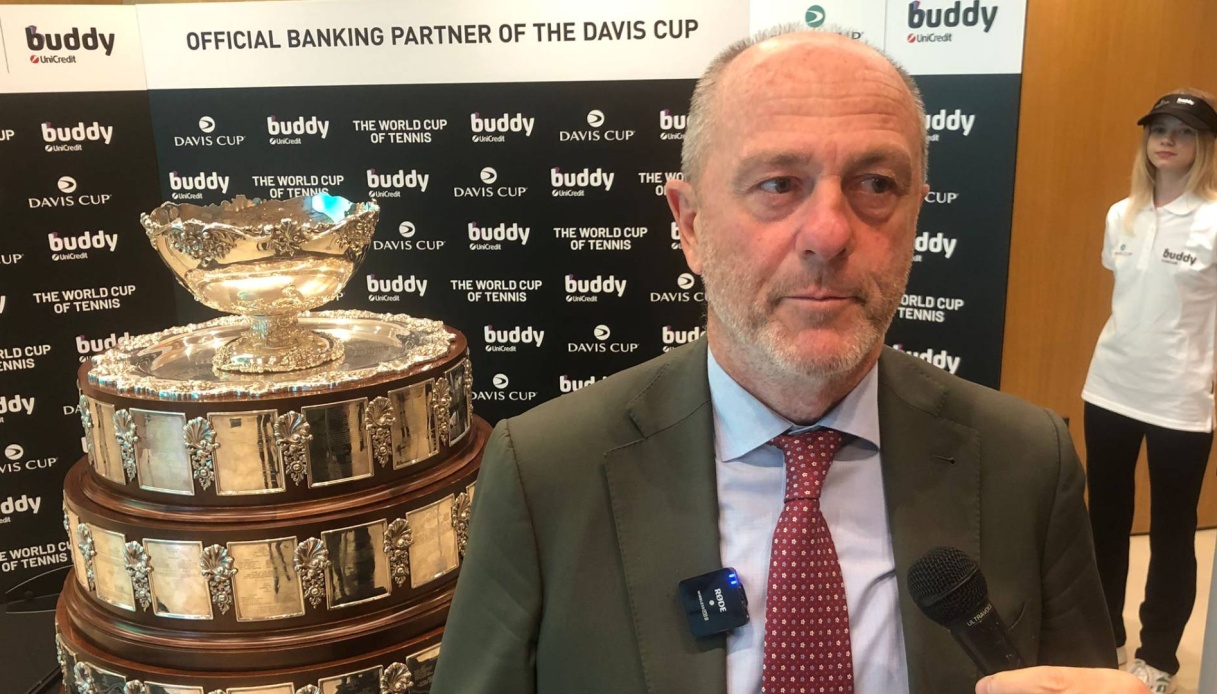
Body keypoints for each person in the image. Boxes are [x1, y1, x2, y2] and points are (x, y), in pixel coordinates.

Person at [433, 28, 1142, 694]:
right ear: (690, 225)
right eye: (777, 184)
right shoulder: (546, 470)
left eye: (875, 184)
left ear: (915, 217)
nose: (828, 234)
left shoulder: (1027, 461)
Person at [1082, 89, 1217, 694]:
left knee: (1172, 532)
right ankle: (1102, 634)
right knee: (1104, 521)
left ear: (1204, 145)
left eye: (1183, 131)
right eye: (1159, 128)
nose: (1167, 140)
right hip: (1109, 387)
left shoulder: (1213, 221)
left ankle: (1158, 658)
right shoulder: (1122, 214)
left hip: (1179, 401)